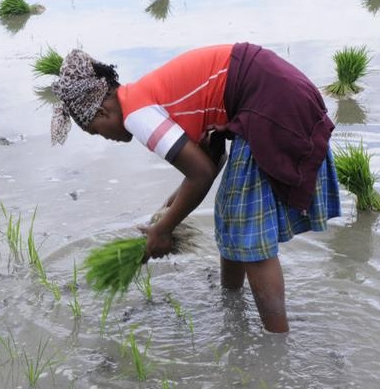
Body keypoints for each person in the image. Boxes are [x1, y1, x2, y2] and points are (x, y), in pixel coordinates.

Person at [50, 43, 341, 333]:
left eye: (95, 132)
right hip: (275, 91)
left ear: (101, 112)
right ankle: (231, 303)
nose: (105, 138)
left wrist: (162, 231)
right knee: (232, 216)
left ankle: (277, 341)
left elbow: (201, 174)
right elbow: (211, 161)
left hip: (271, 102)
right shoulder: (147, 95)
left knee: (250, 238)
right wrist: (171, 208)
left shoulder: (137, 115)